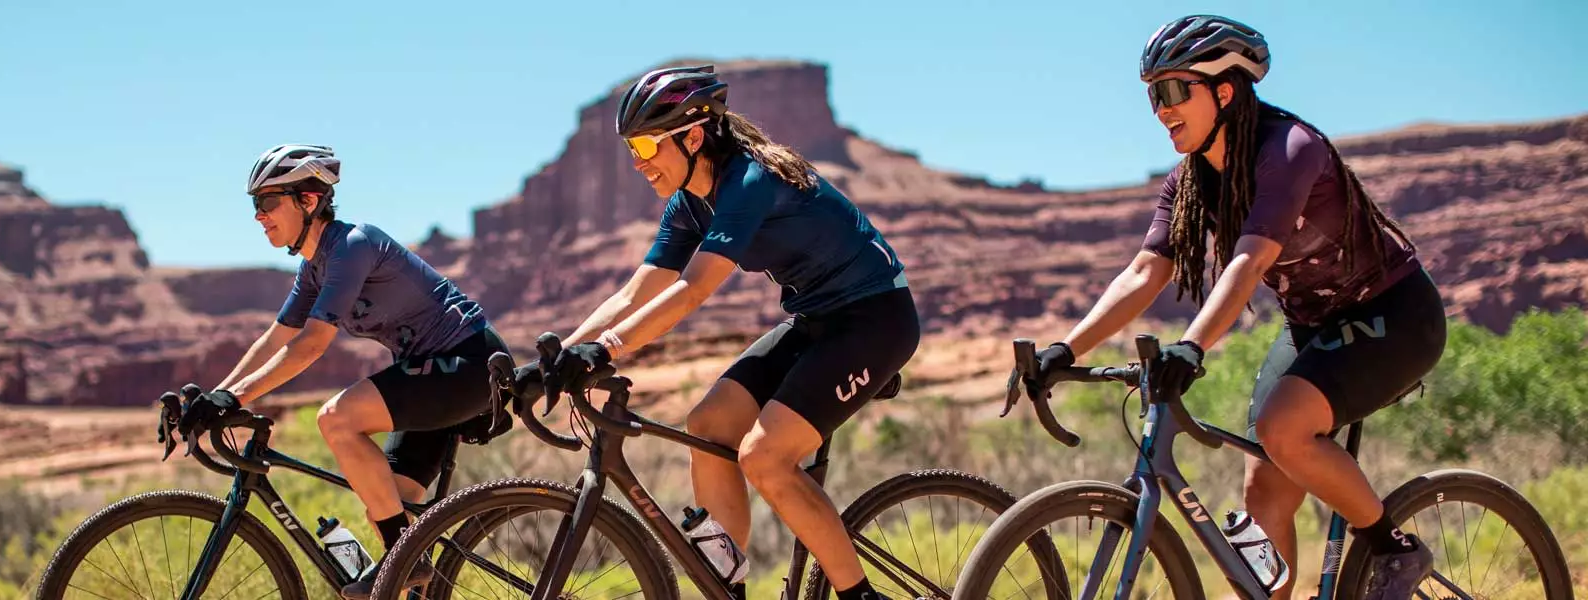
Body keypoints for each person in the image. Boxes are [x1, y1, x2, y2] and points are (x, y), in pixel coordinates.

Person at [1018, 15, 1443, 599]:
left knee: (1282, 429)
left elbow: (1249, 261)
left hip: (1395, 316)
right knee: (1261, 486)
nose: (1161, 109)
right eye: (1151, 96)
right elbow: (1146, 271)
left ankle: (1396, 551)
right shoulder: (1191, 179)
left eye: (1172, 91)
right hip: (1314, 325)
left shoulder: (1289, 149)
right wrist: (1067, 348)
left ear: (1224, 90)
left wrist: (1192, 345)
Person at [547, 65, 919, 600]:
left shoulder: (748, 182)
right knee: (708, 425)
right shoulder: (688, 203)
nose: (639, 163)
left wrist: (605, 350)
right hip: (817, 321)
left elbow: (694, 290)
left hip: (875, 320)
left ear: (693, 135)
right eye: (632, 151)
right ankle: (728, 592)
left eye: (649, 147)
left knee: (764, 457)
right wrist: (560, 356)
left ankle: (860, 596)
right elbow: (635, 293)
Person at [171, 144, 510, 599]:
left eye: (268, 202)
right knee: (385, 502)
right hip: (430, 371)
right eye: (255, 205)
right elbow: (274, 339)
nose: (259, 215)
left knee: (336, 418)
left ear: (308, 201)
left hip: (467, 364)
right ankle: (409, 567)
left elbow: (310, 345)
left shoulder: (353, 246)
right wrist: (214, 396)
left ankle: (400, 563)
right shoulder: (315, 268)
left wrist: (235, 399)